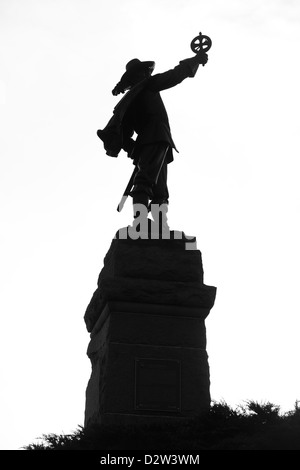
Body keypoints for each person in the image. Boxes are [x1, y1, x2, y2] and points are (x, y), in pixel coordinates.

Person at [97, 51, 208, 230]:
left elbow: (123, 134)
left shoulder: (128, 101)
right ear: (140, 74)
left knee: (158, 187)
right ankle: (142, 223)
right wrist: (195, 60)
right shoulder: (147, 86)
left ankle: (159, 226)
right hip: (156, 137)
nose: (148, 74)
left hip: (152, 142)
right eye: (145, 71)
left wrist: (134, 148)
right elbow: (174, 76)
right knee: (147, 182)